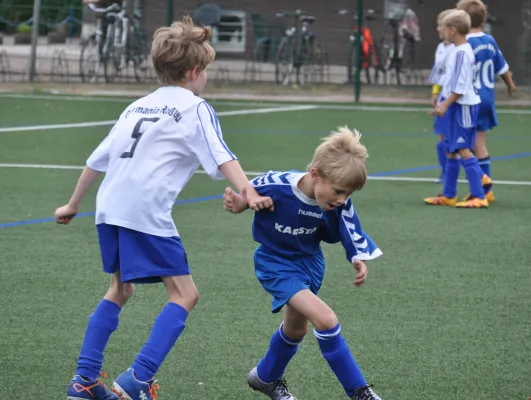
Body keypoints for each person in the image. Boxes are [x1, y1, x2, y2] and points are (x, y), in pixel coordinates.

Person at [59, 16, 273, 400]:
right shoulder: (195, 107)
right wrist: (249, 191)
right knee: (185, 295)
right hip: (144, 210)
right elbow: (223, 156)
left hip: (109, 206)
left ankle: (85, 381)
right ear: (194, 71)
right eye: (205, 70)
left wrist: (73, 203)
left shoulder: (137, 106)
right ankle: (137, 380)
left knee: (120, 289)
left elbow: (97, 159)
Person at [223, 127, 384, 399]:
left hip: (310, 263)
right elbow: (249, 192)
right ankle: (360, 392)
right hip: (275, 264)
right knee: (326, 319)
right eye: (338, 191)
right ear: (315, 175)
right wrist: (241, 203)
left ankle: (265, 377)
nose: (342, 199)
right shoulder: (277, 185)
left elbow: (350, 227)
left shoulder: (339, 201)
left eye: (348, 194)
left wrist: (357, 257)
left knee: (296, 329)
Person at [424, 10, 488, 208]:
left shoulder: (462, 52)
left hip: (463, 107)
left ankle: (479, 196)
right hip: (455, 105)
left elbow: (460, 87)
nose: (440, 30)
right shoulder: (454, 50)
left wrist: (445, 103)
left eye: (442, 27)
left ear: (452, 30)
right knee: (451, 149)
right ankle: (449, 195)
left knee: (463, 149)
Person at [457, 0, 517, 199]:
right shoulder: (490, 41)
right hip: (488, 98)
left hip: (469, 100)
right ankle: (487, 190)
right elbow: (503, 67)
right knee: (480, 144)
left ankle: (481, 181)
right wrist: (510, 85)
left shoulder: (464, 44)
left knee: (464, 144)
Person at [429, 9, 456, 184]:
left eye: (441, 25)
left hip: (454, 98)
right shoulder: (440, 48)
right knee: (442, 137)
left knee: (457, 139)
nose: (438, 29)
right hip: (442, 98)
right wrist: (435, 91)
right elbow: (439, 72)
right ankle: (445, 171)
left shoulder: (458, 48)